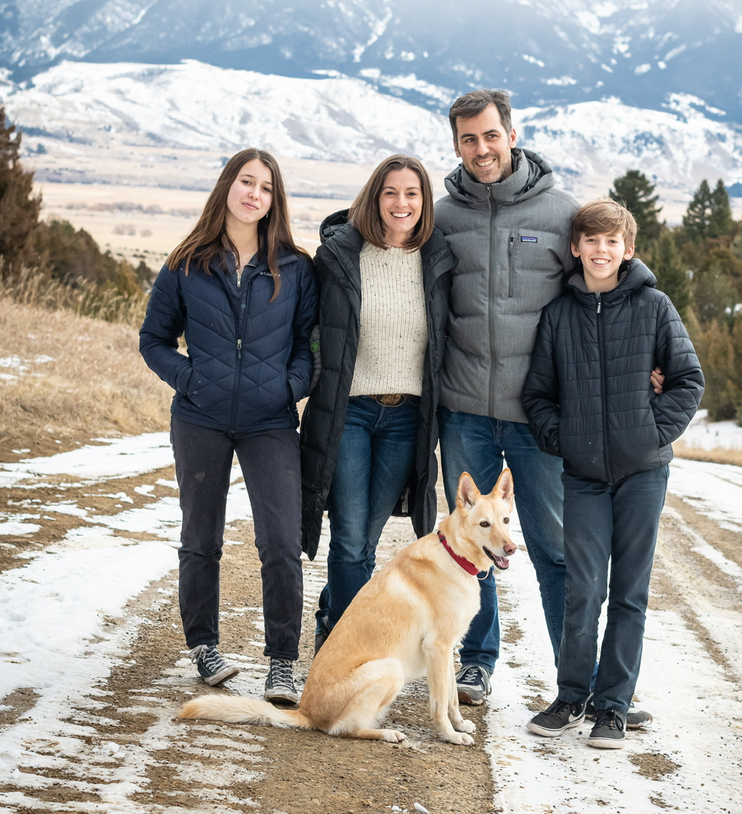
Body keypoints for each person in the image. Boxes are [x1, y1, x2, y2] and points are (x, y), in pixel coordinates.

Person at [522, 199, 704, 748]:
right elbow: (537, 395)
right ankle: (571, 696)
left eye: (612, 241)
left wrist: (650, 433)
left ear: (628, 250)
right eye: (591, 241)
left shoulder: (654, 307)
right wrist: (565, 439)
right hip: (582, 477)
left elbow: (688, 380)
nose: (601, 250)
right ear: (575, 247)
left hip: (642, 474)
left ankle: (613, 707)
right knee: (583, 589)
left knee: (629, 591)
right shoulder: (559, 315)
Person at [139, 148, 317, 706]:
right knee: (201, 538)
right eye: (246, 182)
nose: (254, 194)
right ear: (227, 187)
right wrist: (191, 381)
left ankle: (282, 663)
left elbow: (310, 347)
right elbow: (153, 340)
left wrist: (288, 388)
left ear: (274, 200)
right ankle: (204, 647)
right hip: (200, 418)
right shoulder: (186, 263)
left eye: (265, 187)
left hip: (270, 422)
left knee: (282, 541)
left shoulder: (295, 267)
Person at [434, 87, 581, 705]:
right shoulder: (442, 217)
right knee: (470, 544)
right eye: (468, 139)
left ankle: (580, 678)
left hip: (537, 417)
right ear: (456, 145)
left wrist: (649, 362)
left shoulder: (561, 214)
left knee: (554, 549)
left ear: (512, 135)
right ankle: (475, 663)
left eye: (491, 135)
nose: (481, 149)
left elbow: (605, 293)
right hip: (463, 410)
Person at [300, 154, 454, 648]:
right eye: (391, 192)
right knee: (349, 539)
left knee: (366, 538)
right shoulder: (340, 255)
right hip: (350, 413)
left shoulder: (440, 259)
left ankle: (333, 618)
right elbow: (308, 326)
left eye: (411, 193)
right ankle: (346, 647)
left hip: (407, 417)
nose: (401, 203)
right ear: (375, 197)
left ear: (424, 201)